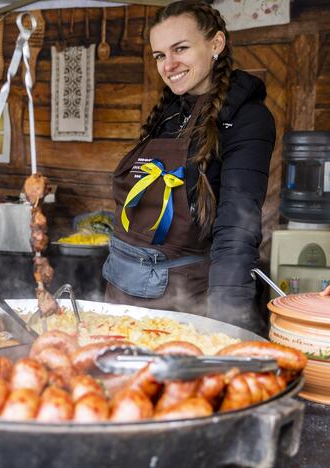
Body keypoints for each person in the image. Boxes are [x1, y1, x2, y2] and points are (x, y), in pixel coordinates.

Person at [102, 0, 275, 333]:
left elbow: (236, 232)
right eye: (159, 55)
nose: (169, 65)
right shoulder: (168, 113)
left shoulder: (247, 120)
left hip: (180, 309)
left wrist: (226, 329)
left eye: (180, 48)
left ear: (216, 44)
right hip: (119, 294)